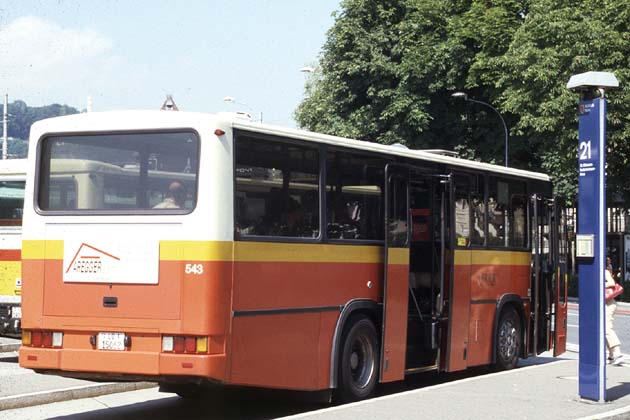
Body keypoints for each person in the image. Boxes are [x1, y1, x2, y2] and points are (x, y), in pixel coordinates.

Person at [605, 256, 624, 365]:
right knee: (603, 329)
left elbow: (611, 283)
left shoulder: (605, 271)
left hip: (609, 303)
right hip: (605, 303)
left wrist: (598, 285)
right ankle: (611, 355)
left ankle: (618, 353)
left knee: (607, 329)